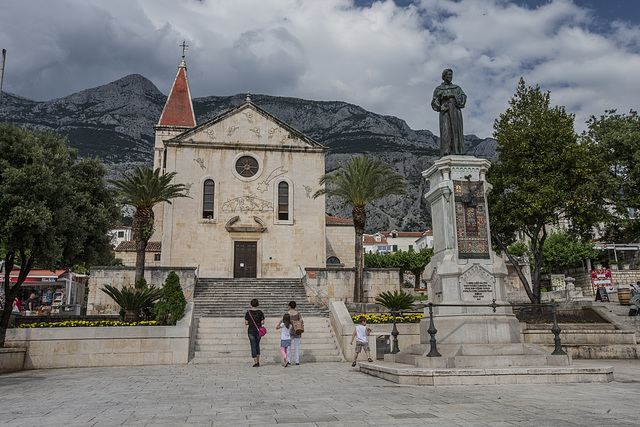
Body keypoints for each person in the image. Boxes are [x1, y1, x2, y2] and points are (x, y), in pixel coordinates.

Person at [431, 68, 467, 157]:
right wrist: (440, 104)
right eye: (448, 75)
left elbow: (463, 98)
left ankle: (457, 149)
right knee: (446, 130)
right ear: (444, 76)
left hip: (455, 111)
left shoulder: (457, 88)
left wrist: (452, 96)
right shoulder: (438, 89)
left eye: (451, 75)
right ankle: (446, 149)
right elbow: (434, 102)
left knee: (456, 130)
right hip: (445, 112)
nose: (450, 77)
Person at [245, 298, 265, 367]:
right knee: (257, 345)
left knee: (253, 345)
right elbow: (262, 322)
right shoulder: (260, 312)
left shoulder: (248, 313)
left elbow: (246, 323)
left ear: (251, 304)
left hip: (251, 330)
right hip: (258, 331)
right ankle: (258, 360)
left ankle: (256, 361)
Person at [287, 301, 303, 365]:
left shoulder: (287, 314)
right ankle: (297, 360)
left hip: (290, 331)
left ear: (289, 306)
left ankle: (289, 360)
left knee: (289, 346)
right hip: (297, 330)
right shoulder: (298, 314)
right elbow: (301, 321)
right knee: (296, 346)